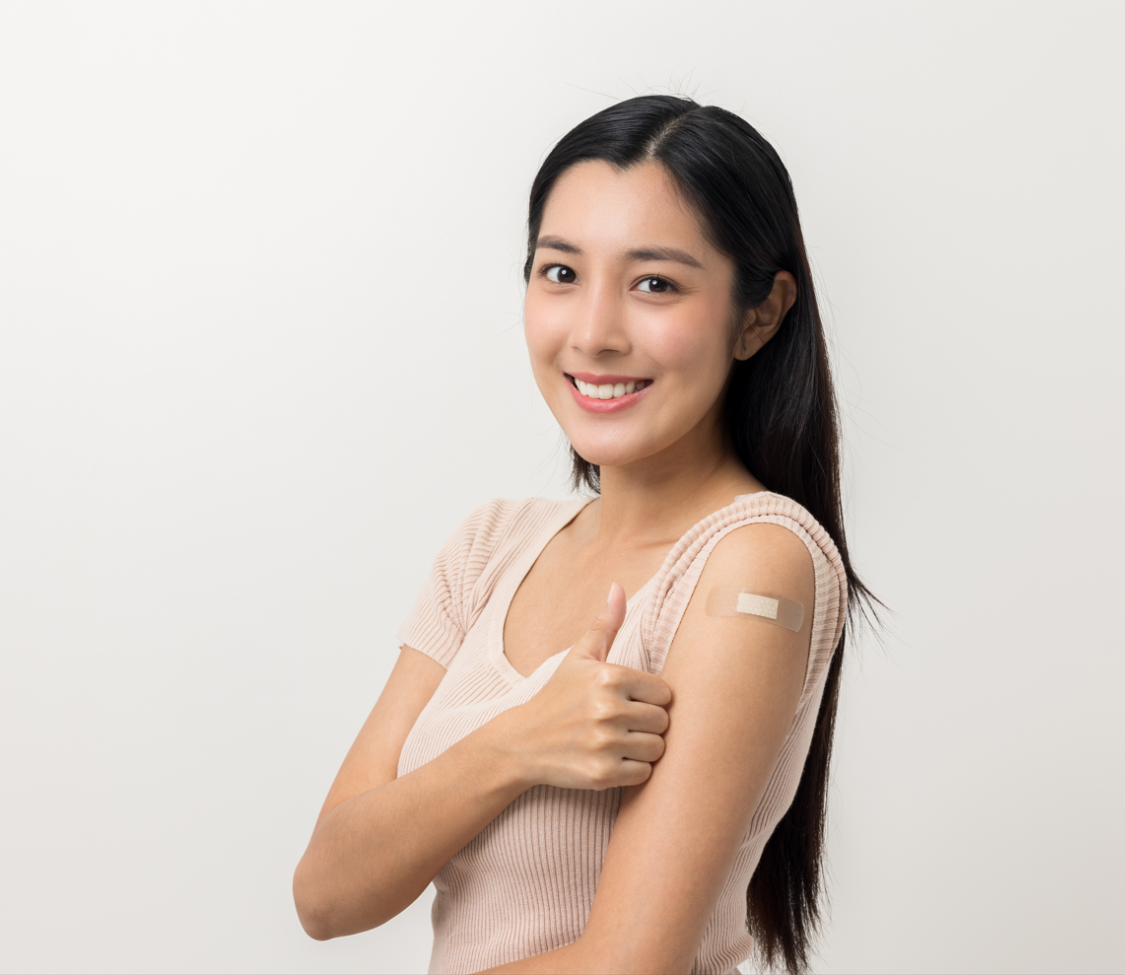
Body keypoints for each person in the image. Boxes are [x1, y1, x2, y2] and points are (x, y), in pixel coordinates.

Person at [292, 94, 872, 975]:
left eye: (655, 284)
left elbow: (628, 966)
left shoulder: (756, 561)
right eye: (560, 273)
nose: (594, 333)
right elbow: (327, 893)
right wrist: (519, 741)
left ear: (759, 314)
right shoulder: (488, 548)